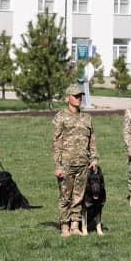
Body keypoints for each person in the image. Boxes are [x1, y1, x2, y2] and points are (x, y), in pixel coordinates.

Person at [52, 83, 98, 237]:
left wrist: (94, 158)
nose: (79, 99)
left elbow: (92, 140)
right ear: (67, 98)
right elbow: (56, 142)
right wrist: (58, 165)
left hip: (83, 164)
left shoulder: (87, 118)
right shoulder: (61, 117)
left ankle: (75, 226)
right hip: (66, 164)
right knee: (65, 196)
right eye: (75, 96)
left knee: (78, 196)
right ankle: (64, 226)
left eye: (80, 96)